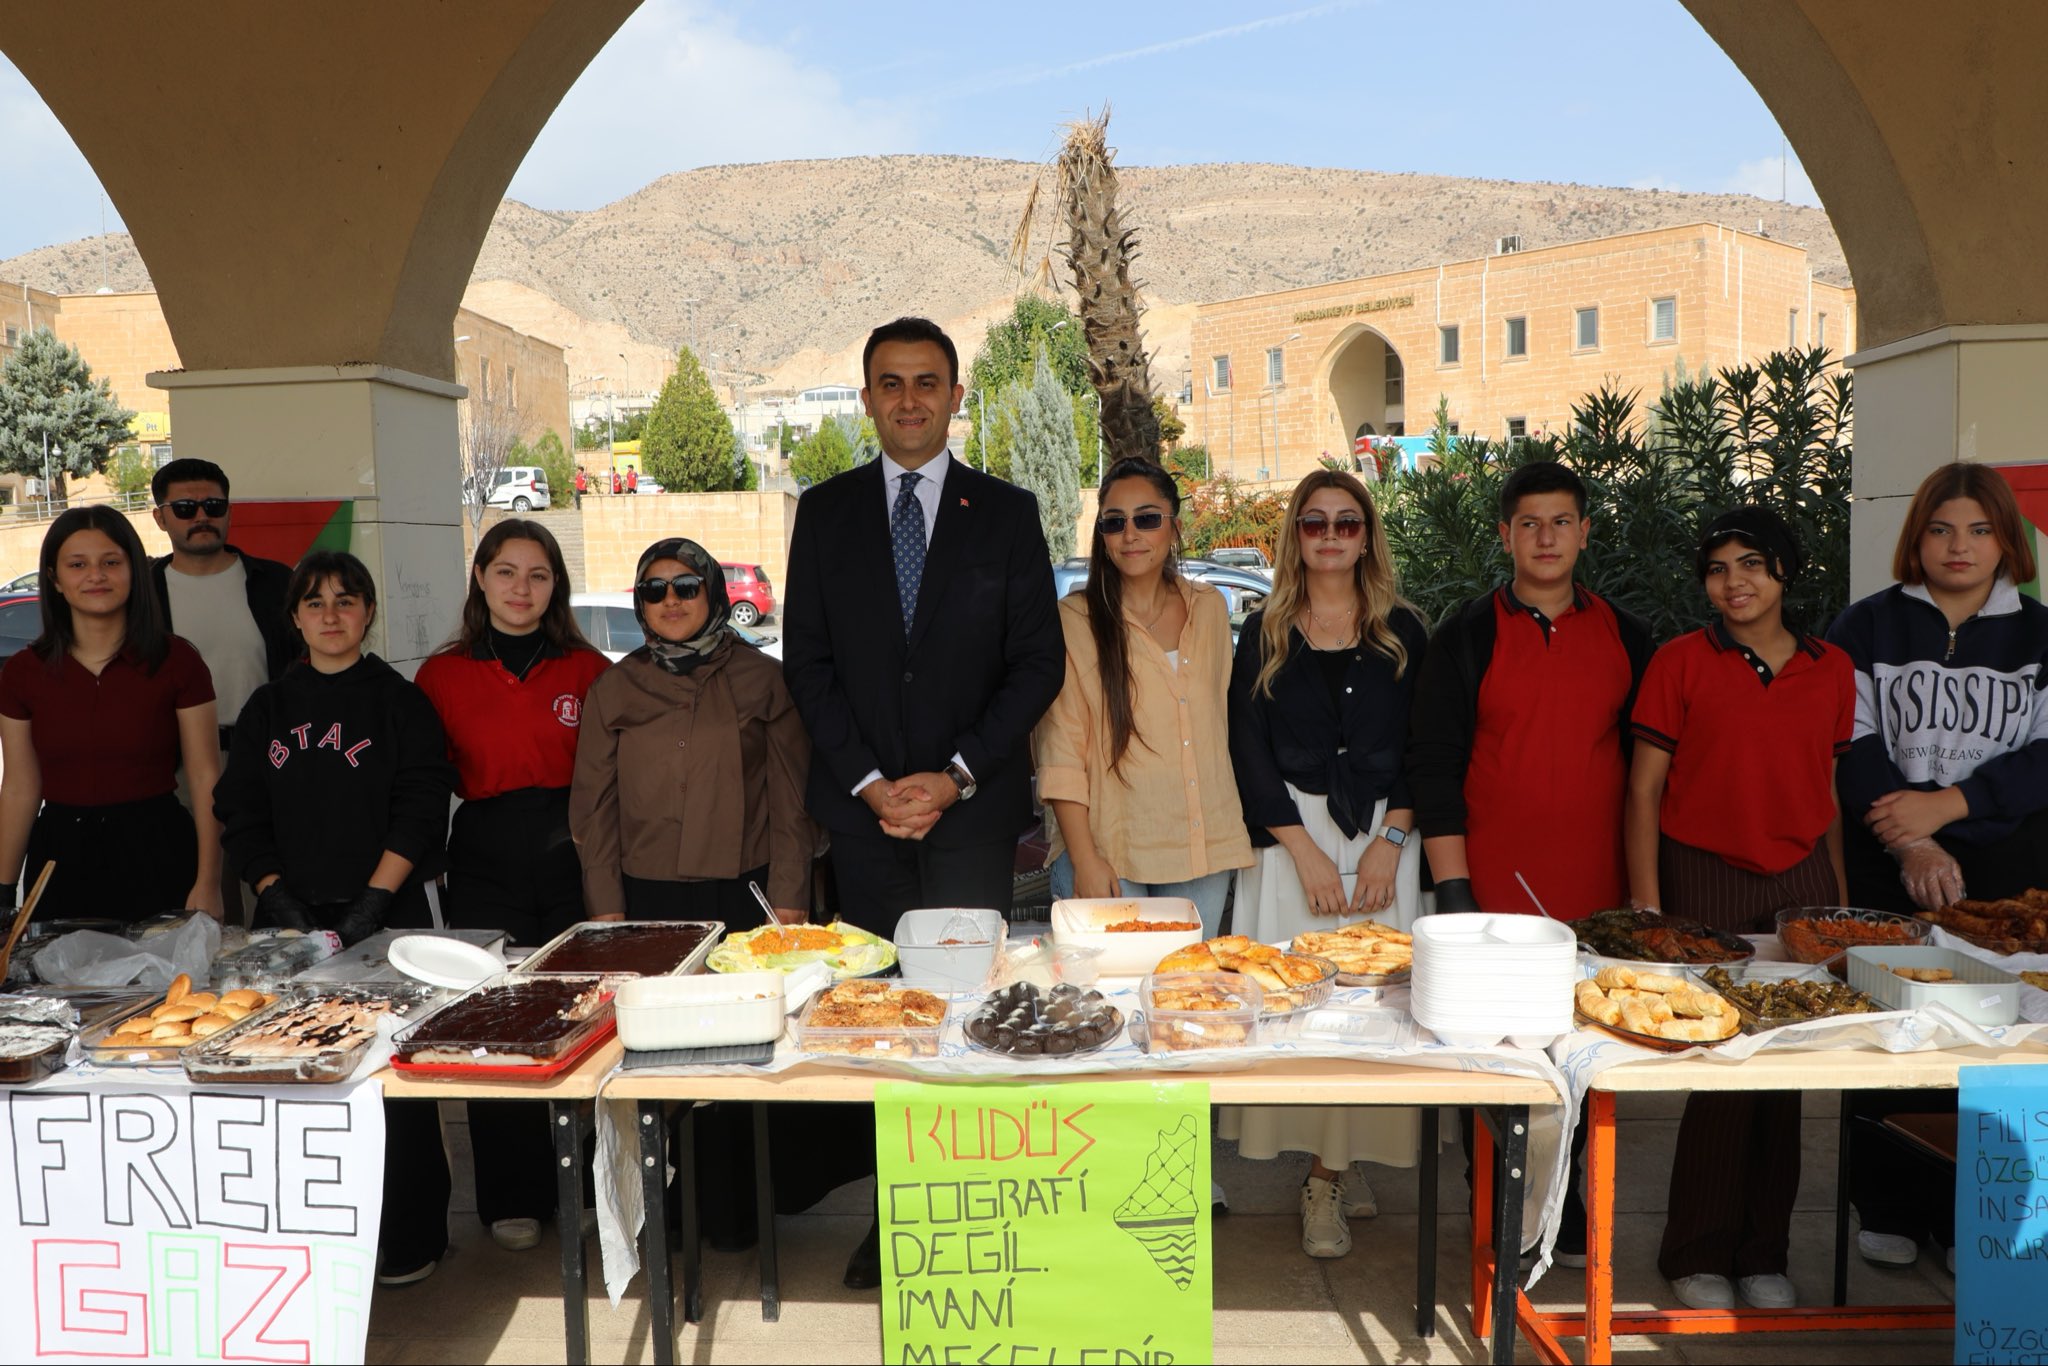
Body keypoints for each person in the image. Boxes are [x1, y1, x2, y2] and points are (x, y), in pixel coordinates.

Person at [781, 316, 1064, 1287]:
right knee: (881, 1015)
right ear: (865, 398)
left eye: (927, 381)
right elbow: (807, 663)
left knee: (960, 1011)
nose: (909, 398)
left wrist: (955, 774)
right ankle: (895, 1216)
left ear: (954, 396)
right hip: (861, 820)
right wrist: (868, 782)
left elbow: (1035, 664)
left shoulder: (1009, 513)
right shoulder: (822, 513)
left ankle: (969, 1204)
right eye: (890, 382)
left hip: (969, 814)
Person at [1406, 459, 1654, 1266]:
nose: (1546, 539)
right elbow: (1434, 769)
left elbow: (1649, 774)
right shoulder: (1466, 636)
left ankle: (1570, 1210)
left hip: (1596, 894)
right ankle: (1501, 1216)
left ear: (1585, 532)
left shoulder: (1630, 636)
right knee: (1498, 1070)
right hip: (1492, 903)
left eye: (1561, 522)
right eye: (1529, 523)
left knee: (1583, 1061)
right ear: (1505, 535)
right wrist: (1453, 890)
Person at [1625, 507, 1853, 1312]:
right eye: (1718, 569)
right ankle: (1695, 1252)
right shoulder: (1681, 661)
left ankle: (1765, 1251)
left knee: (1786, 1070)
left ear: (1785, 571)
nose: (1735, 583)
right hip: (1704, 879)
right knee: (1722, 1067)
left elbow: (1825, 795)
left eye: (1751, 564)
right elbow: (1645, 788)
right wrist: (1648, 905)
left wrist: (1840, 910)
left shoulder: (1832, 668)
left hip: (1798, 884)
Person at [1827, 461, 2048, 1272]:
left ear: (2008, 542)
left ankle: (1971, 1216)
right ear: (1916, 538)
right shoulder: (1868, 626)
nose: (1960, 546)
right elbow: (1850, 742)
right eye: (1941, 529)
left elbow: (2046, 755)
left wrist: (1951, 807)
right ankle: (1884, 1204)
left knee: (1995, 1037)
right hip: (1890, 857)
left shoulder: (2039, 634)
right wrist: (1911, 838)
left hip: (2004, 866)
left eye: (1981, 530)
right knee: (1891, 1030)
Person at [213, 550, 456, 1285]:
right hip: (291, 927)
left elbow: (420, 808)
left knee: (389, 1080)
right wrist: (275, 891)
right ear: (293, 618)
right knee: (293, 1078)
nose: (330, 615)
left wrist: (373, 903)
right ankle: (319, 1241)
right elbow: (240, 812)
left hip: (386, 919)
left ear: (368, 611)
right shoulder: (269, 708)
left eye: (346, 600)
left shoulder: (399, 700)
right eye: (314, 603)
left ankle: (410, 1236)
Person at [570, 536, 817, 1250]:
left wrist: (790, 898)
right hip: (645, 903)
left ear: (712, 592)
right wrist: (605, 908)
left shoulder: (763, 680)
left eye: (686, 586)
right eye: (654, 590)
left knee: (740, 1059)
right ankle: (666, 1212)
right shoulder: (615, 688)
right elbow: (593, 809)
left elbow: (791, 798)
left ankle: (737, 1210)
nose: (671, 601)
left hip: (743, 899)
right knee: (656, 1063)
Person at [1221, 468, 1430, 1259]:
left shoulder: (1404, 629)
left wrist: (1392, 841)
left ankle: (1335, 1169)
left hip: (1384, 841)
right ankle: (1325, 1175)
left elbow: (1424, 746)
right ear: (1295, 537)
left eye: (1348, 523)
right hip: (1290, 842)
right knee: (1297, 1009)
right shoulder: (1264, 629)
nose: (1332, 537)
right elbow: (1247, 748)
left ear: (1368, 535)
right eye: (1316, 524)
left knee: (1374, 1012)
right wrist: (1302, 849)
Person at [415, 519, 608, 1256]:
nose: (520, 589)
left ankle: (589, 1187)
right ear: (481, 579)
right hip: (485, 851)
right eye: (506, 572)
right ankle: (511, 1196)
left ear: (555, 585)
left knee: (581, 1017)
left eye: (538, 574)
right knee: (498, 1023)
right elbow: (427, 782)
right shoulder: (443, 674)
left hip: (573, 850)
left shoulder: (589, 670)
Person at [1033, 456, 1250, 935]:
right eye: (1114, 523)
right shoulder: (1075, 621)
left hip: (1204, 849)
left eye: (1147, 519)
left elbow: (1218, 726)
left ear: (1173, 527)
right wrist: (1084, 858)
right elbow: (1061, 749)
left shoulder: (1210, 609)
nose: (1130, 534)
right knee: (1113, 1001)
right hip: (1112, 852)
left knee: (1186, 996)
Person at [0, 507, 225, 921]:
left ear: (134, 570)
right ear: (54, 579)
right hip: (59, 859)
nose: (96, 576)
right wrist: (1, 891)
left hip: (158, 850)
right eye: (77, 564)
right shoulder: (22, 672)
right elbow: (18, 787)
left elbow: (205, 777)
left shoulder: (178, 661)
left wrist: (209, 880)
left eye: (111, 562)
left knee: (168, 985)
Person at [147, 457, 295, 920]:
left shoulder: (275, 582)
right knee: (198, 901)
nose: (202, 517)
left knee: (271, 899)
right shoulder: (143, 592)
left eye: (213, 505)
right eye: (186, 508)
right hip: (177, 768)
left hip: (266, 761)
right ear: (160, 517)